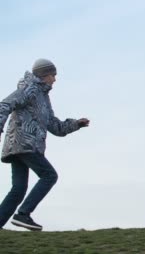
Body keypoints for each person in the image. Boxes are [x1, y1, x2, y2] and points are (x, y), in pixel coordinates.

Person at [0, 59, 89, 231]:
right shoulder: (30, 89)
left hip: (19, 146)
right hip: (25, 143)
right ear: (43, 75)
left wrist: (76, 124)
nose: (55, 79)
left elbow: (55, 126)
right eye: (52, 75)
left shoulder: (43, 97)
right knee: (49, 176)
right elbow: (5, 104)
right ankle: (23, 214)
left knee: (18, 188)